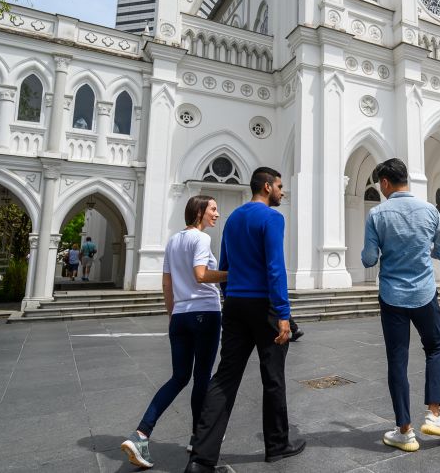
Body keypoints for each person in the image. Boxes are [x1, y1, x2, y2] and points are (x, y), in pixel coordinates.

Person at [184, 167, 305, 472]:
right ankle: (277, 445)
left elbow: (224, 264)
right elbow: (275, 267)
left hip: (236, 304)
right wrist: (283, 314)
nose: (282, 191)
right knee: (273, 376)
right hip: (263, 304)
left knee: (224, 376)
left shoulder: (234, 218)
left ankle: (201, 457)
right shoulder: (273, 218)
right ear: (266, 187)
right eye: (279, 186)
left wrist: (229, 297)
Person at [120, 196, 228, 469]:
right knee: (202, 376)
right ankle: (198, 438)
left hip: (180, 314)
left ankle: (141, 433)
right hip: (205, 312)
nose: (217, 213)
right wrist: (230, 273)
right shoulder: (201, 240)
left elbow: (167, 284)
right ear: (200, 212)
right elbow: (201, 275)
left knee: (179, 377)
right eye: (213, 209)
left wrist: (173, 315)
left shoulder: (173, 241)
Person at [361, 158, 440, 453]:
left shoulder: (377, 214)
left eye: (380, 184)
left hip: (392, 296)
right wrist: (422, 248)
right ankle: (434, 414)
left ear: (387, 183)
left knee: (397, 360)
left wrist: (383, 251)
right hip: (425, 294)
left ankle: (404, 430)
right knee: (435, 348)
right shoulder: (430, 210)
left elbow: (367, 259)